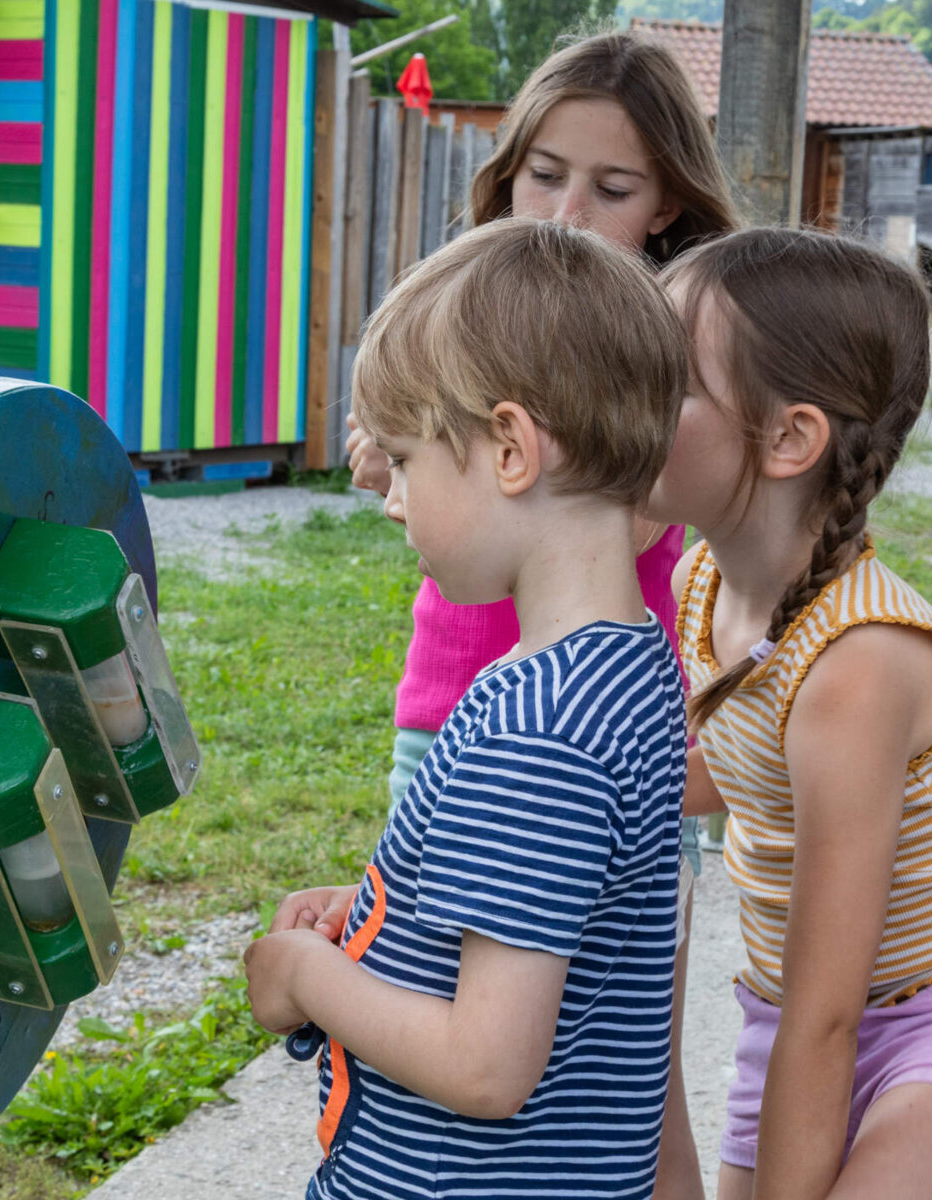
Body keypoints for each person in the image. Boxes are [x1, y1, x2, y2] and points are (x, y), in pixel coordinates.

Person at [337, 31, 740, 1197]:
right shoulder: (477, 318)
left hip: (558, 726)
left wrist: (306, 984)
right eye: (544, 175)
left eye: (612, 189)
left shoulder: (657, 362)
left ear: (667, 205)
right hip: (475, 709)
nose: (569, 212)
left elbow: (483, 1066)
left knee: (613, 1055)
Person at [243, 219, 690, 1199]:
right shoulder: (630, 670)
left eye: (404, 460)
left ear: (510, 448)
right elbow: (542, 922)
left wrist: (303, 976)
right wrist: (370, 918)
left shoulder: (540, 726)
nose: (391, 499)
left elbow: (488, 1066)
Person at [646, 227, 932, 1200]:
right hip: (784, 1007)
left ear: (789, 438)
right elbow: (723, 767)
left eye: (670, 380)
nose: (626, 395)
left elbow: (829, 1019)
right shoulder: (705, 577)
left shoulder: (857, 664)